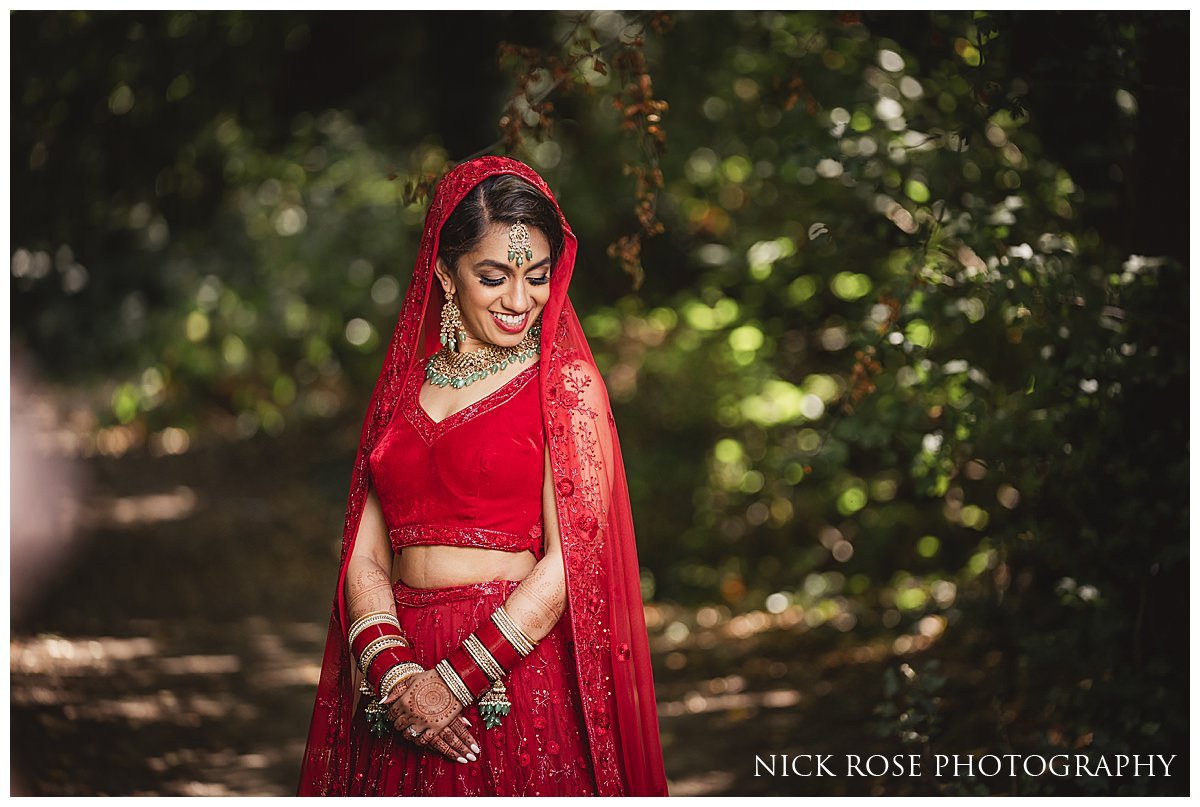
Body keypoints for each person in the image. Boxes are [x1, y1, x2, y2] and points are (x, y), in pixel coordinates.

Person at [297, 156, 669, 796]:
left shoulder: (565, 392)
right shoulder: (402, 391)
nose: (519, 301)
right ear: (445, 271)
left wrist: (453, 681)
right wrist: (393, 672)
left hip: (507, 671)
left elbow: (571, 562)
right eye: (494, 277)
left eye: (537, 277)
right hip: (398, 670)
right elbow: (365, 553)